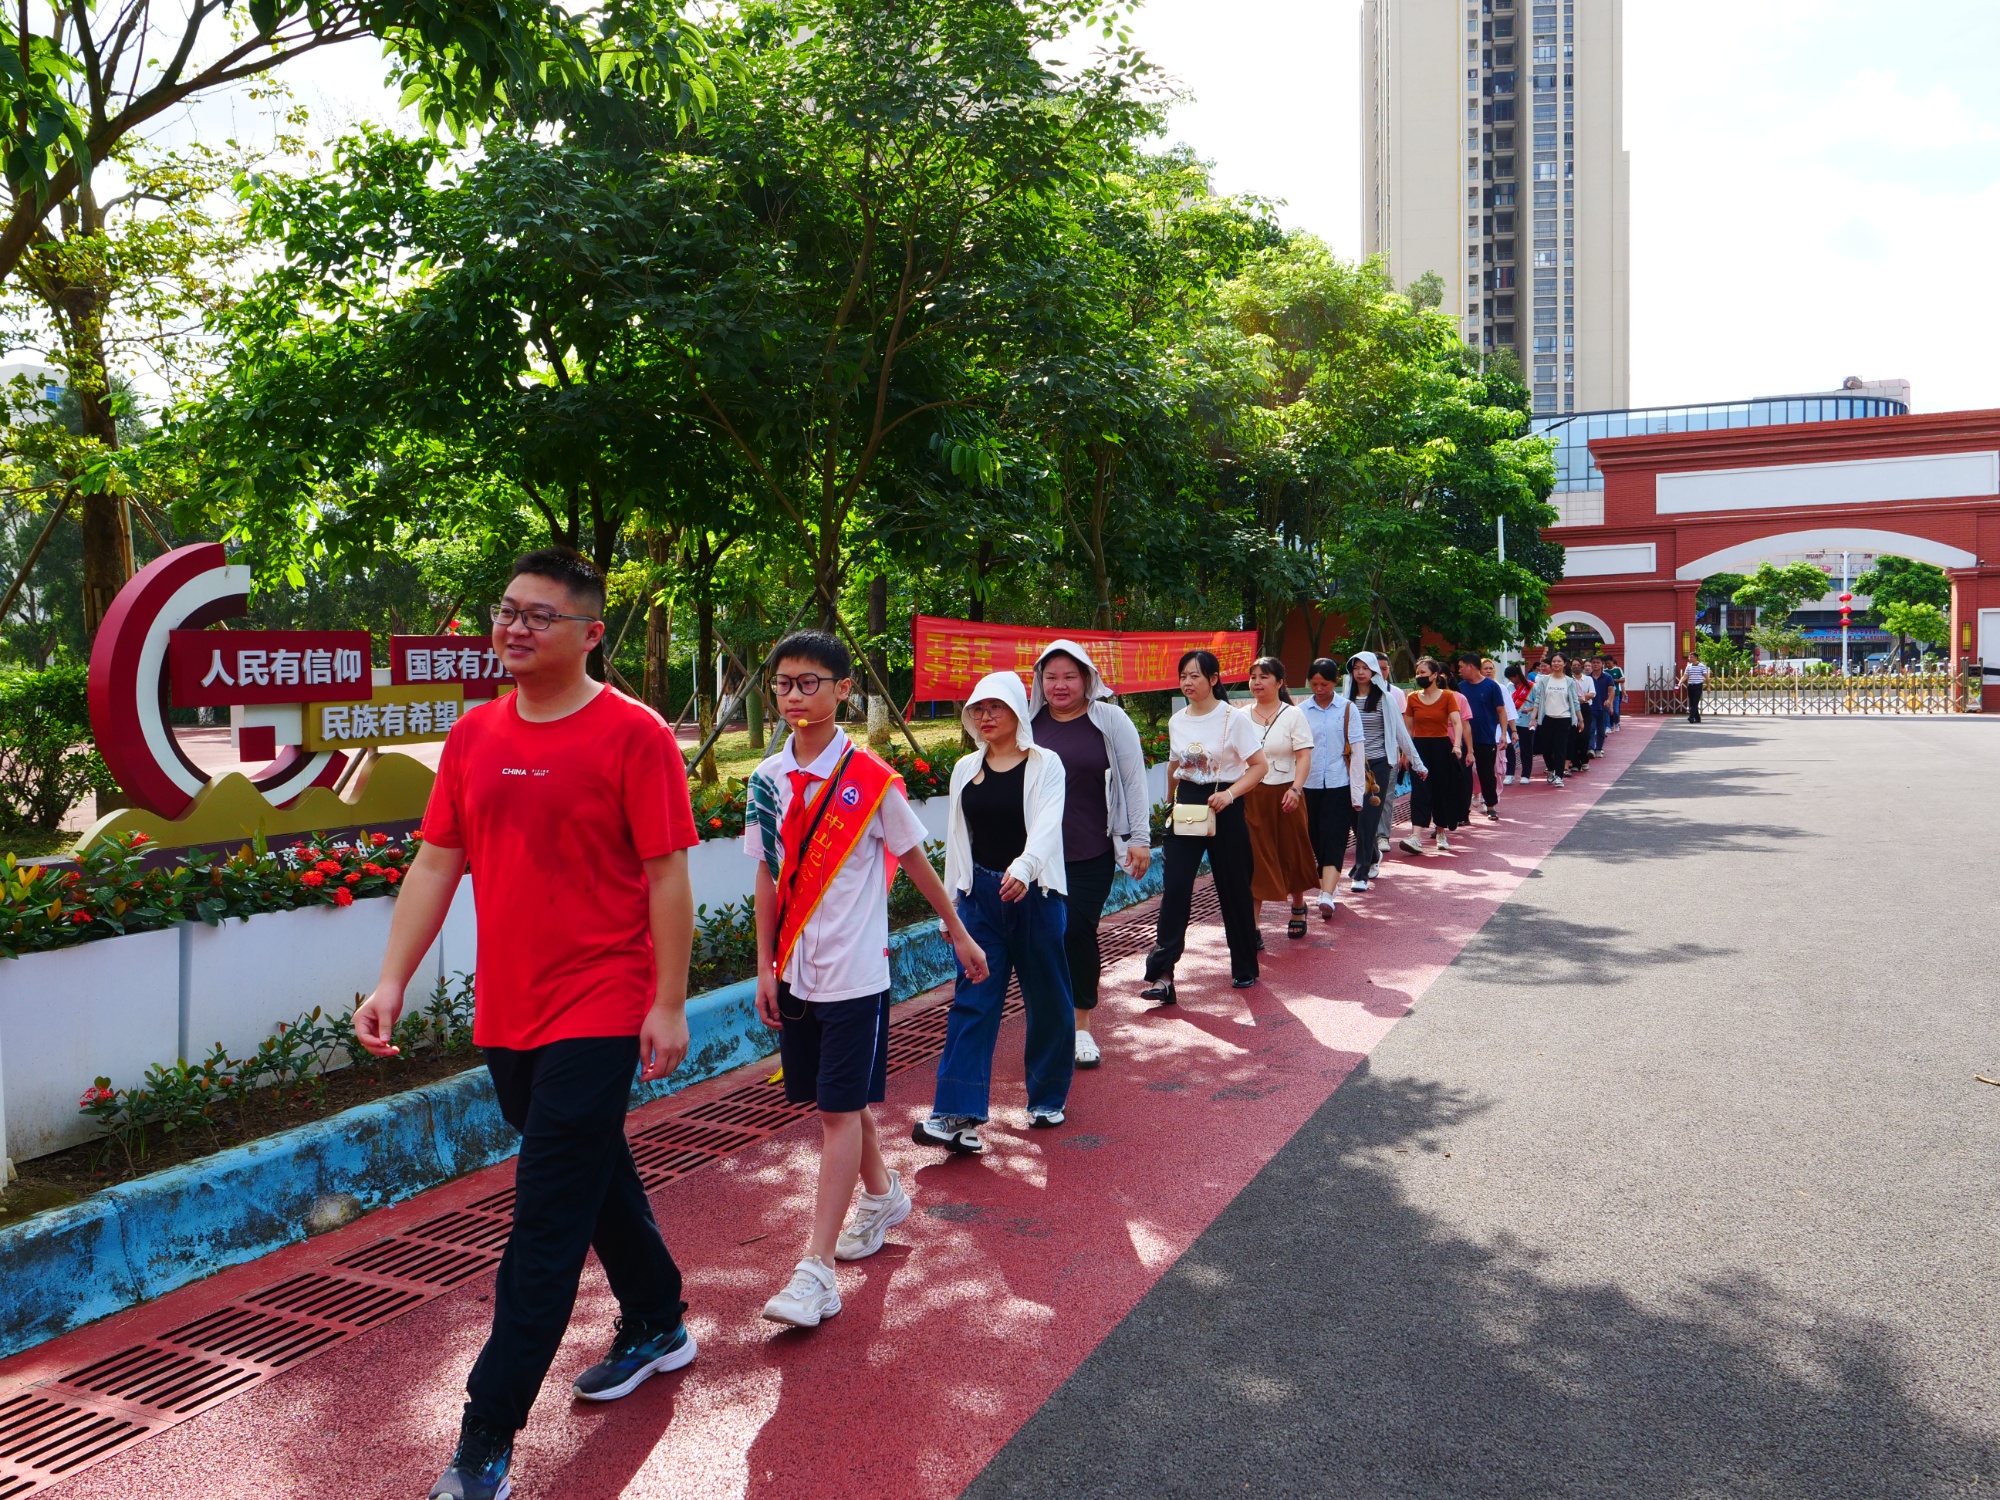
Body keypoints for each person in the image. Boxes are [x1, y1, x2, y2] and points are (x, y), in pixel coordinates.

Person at [353, 549, 698, 1500]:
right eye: (507, 611)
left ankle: (485, 1437)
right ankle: (660, 1316)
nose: (513, 628)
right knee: (588, 1167)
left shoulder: (634, 734)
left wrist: (665, 999)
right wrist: (392, 980)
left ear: (590, 632)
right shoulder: (472, 735)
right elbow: (436, 862)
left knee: (544, 1215)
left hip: (601, 997)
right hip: (511, 1007)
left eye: (538, 616)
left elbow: (668, 872)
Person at [745, 631, 988, 1329]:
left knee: (831, 1111)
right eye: (784, 683)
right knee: (836, 1103)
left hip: (855, 976)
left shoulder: (871, 780)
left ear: (844, 689)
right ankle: (881, 1196)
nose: (795, 695)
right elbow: (767, 875)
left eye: (810, 682)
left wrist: (959, 932)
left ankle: (814, 1270)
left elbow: (916, 861)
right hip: (795, 971)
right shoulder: (766, 779)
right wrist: (764, 965)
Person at [916, 671, 1074, 1153]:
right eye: (978, 710)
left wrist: (1024, 869)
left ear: (1015, 711)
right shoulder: (964, 768)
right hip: (980, 897)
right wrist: (950, 907)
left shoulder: (1047, 764)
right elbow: (956, 843)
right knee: (972, 998)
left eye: (995, 708)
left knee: (1047, 997)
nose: (985, 716)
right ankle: (956, 1113)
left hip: (1036, 896)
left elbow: (1048, 824)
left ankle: (1047, 1096)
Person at [1026, 641, 1154, 1072]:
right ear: (1040, 681)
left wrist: (1140, 838)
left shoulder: (1109, 720)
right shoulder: (1027, 723)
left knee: (1075, 932)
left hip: (1090, 851)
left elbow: (1134, 781)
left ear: (1087, 679)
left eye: (1070, 676)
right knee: (1041, 939)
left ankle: (1081, 1027)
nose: (1060, 685)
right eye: (1051, 677)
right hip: (1036, 856)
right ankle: (1050, 1021)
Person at [1142, 650, 1268, 1003]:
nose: (1187, 683)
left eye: (1195, 676)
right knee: (1176, 889)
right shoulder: (1177, 720)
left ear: (1213, 679)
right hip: (1186, 806)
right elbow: (1174, 766)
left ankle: (1244, 966)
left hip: (1224, 804)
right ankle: (1162, 974)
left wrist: (1230, 795)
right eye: (1183, 676)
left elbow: (1259, 767)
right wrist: (1168, 805)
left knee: (1234, 887)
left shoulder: (1234, 719)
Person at [1242, 656, 1321, 940]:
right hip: (1251, 795)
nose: (1257, 682)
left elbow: (1304, 755)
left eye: (1263, 676)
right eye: (1253, 676)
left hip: (1287, 793)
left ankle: (1298, 906)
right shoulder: (1240, 717)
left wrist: (1296, 789)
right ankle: (1252, 927)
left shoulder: (1293, 715)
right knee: (1255, 857)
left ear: (1280, 682)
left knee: (1292, 849)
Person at [1339, 651, 1425, 890]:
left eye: (1366, 668)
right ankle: (1374, 855)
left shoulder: (1385, 699)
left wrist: (1417, 764)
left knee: (1368, 819)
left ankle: (1362, 873)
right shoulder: (1345, 699)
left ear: (1375, 671)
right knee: (1355, 818)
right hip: (1352, 765)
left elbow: (1401, 733)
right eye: (1356, 667)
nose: (1361, 672)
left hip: (1379, 764)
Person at [1298, 657, 1367, 919]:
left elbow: (1358, 751)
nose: (1318, 689)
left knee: (1335, 836)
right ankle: (1328, 882)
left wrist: (1357, 792)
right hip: (1309, 784)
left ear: (1335, 682)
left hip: (1340, 783)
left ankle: (1326, 893)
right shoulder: (1301, 711)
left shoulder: (1347, 709)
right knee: (1314, 837)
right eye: (1314, 684)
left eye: (1324, 684)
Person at [1399, 657, 1465, 855]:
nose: (1419, 677)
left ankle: (1441, 831)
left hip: (1442, 747)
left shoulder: (1447, 696)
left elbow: (1457, 722)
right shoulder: (1412, 698)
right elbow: (1408, 729)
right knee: (1419, 790)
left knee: (1441, 790)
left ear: (1435, 675)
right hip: (1419, 748)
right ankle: (1416, 836)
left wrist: (1457, 745)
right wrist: (1405, 753)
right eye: (1417, 673)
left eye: (1423, 673)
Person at [1458, 653, 1511, 821]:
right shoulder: (1460, 687)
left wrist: (1503, 733)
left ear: (1471, 667)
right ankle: (1463, 812)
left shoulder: (1491, 686)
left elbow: (1501, 711)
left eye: (1461, 667)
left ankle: (1491, 806)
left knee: (1487, 773)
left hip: (1486, 737)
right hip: (1464, 739)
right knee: (1463, 775)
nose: (1459, 670)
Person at [1526, 652, 1582, 787]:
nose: (1556, 664)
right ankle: (1551, 769)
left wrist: (1581, 719)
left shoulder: (1569, 681)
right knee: (1545, 747)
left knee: (1560, 748)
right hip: (1548, 718)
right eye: (1554, 661)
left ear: (1565, 664)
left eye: (1559, 661)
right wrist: (1533, 718)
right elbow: (1538, 700)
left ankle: (1559, 776)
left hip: (1564, 719)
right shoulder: (1544, 680)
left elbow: (1575, 702)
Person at [1503, 663, 1534, 784]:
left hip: (1526, 721)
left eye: (1511, 677)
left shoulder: (1531, 686)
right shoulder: (1509, 686)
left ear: (1517, 675)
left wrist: (1530, 710)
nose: (1510, 680)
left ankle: (1525, 774)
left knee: (1526, 749)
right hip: (1512, 722)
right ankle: (1509, 773)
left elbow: (1538, 703)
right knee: (1509, 748)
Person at [1589, 656, 1616, 755]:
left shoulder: (1607, 677)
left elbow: (1612, 691)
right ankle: (1591, 748)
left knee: (1601, 731)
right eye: (1593, 662)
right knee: (1591, 729)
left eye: (1598, 662)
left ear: (1602, 664)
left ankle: (1599, 749)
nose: (1595, 664)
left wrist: (1609, 701)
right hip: (1590, 708)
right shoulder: (1587, 678)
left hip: (1603, 708)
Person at [1679, 655, 1709, 723]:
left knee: (1695, 702)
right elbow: (1685, 676)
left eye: (1692, 657)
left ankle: (1691, 717)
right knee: (1692, 702)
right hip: (1690, 685)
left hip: (1698, 685)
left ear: (1696, 658)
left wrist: (1708, 687)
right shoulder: (1689, 666)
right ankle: (1697, 718)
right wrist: (1679, 683)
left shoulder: (1702, 666)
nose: (1690, 658)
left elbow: (1706, 677)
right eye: (1689, 657)